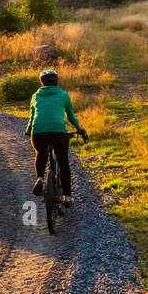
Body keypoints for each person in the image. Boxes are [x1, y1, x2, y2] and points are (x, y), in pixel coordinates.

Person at [25, 68, 86, 206]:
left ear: (42, 82)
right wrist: (79, 128)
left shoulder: (35, 96)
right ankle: (67, 197)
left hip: (38, 132)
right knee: (63, 162)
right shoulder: (63, 94)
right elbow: (70, 115)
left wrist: (29, 130)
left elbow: (32, 116)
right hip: (58, 132)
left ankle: (40, 178)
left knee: (41, 153)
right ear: (56, 80)